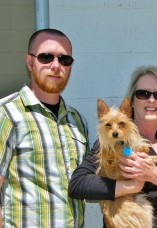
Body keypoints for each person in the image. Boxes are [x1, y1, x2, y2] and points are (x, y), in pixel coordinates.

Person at [68, 65, 157, 227]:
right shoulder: (113, 142)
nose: (151, 99)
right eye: (143, 93)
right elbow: (77, 185)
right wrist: (129, 186)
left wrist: (156, 176)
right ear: (131, 104)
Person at [0, 29, 89, 227]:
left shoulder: (78, 122)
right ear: (30, 62)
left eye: (64, 59)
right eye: (46, 57)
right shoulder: (6, 114)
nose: (56, 65)